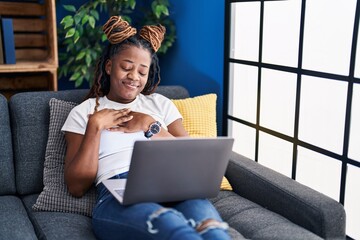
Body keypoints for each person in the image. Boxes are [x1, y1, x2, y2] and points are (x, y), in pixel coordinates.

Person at [61, 15, 231, 240]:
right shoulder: (84, 112)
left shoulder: (160, 104)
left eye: (142, 71)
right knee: (174, 229)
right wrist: (95, 126)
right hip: (117, 196)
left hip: (174, 185)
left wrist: (150, 125)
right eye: (126, 67)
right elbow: (76, 186)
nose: (134, 77)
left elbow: (191, 158)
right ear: (110, 66)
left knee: (214, 232)